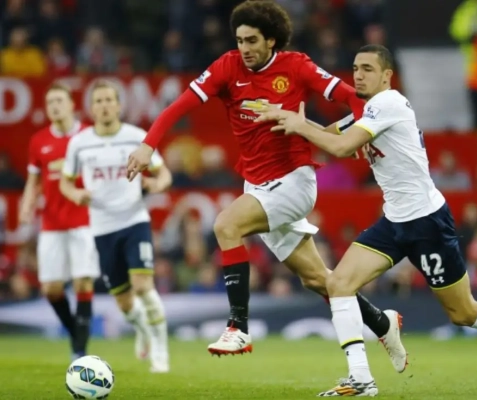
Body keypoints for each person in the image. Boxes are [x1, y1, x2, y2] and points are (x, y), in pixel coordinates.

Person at [256, 44, 477, 397]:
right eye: (356, 68)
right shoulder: (367, 111)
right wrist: (290, 119)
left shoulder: (389, 103)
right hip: (394, 222)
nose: (358, 75)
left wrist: (300, 126)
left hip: (427, 222)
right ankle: (360, 378)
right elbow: (331, 135)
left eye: (368, 69)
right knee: (338, 283)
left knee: (464, 313)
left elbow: (340, 147)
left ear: (387, 76)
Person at [126, 0, 406, 370]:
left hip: (294, 180)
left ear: (271, 40)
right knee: (318, 279)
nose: (244, 48)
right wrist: (148, 146)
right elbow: (178, 107)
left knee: (226, 225)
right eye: (240, 40)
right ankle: (383, 324)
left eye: (252, 40)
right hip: (256, 185)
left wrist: (362, 133)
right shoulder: (226, 67)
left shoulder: (297, 66)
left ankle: (238, 327)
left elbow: (352, 97)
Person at [60, 81, 172, 373]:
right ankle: (143, 330)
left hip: (134, 220)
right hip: (102, 228)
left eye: (109, 100)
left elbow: (164, 174)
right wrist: (75, 194)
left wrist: (157, 184)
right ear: (91, 107)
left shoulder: (137, 137)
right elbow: (65, 182)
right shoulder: (79, 143)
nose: (105, 105)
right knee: (124, 303)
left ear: (119, 105)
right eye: (99, 101)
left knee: (143, 287)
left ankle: (160, 350)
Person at [19, 84, 99, 360]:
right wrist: (27, 204)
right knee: (51, 289)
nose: (54, 106)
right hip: (52, 224)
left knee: (83, 283)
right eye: (50, 102)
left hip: (85, 221)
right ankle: (77, 333)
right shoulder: (39, 141)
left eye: (59, 100)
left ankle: (80, 350)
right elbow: (34, 181)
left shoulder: (89, 135)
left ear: (71, 105)